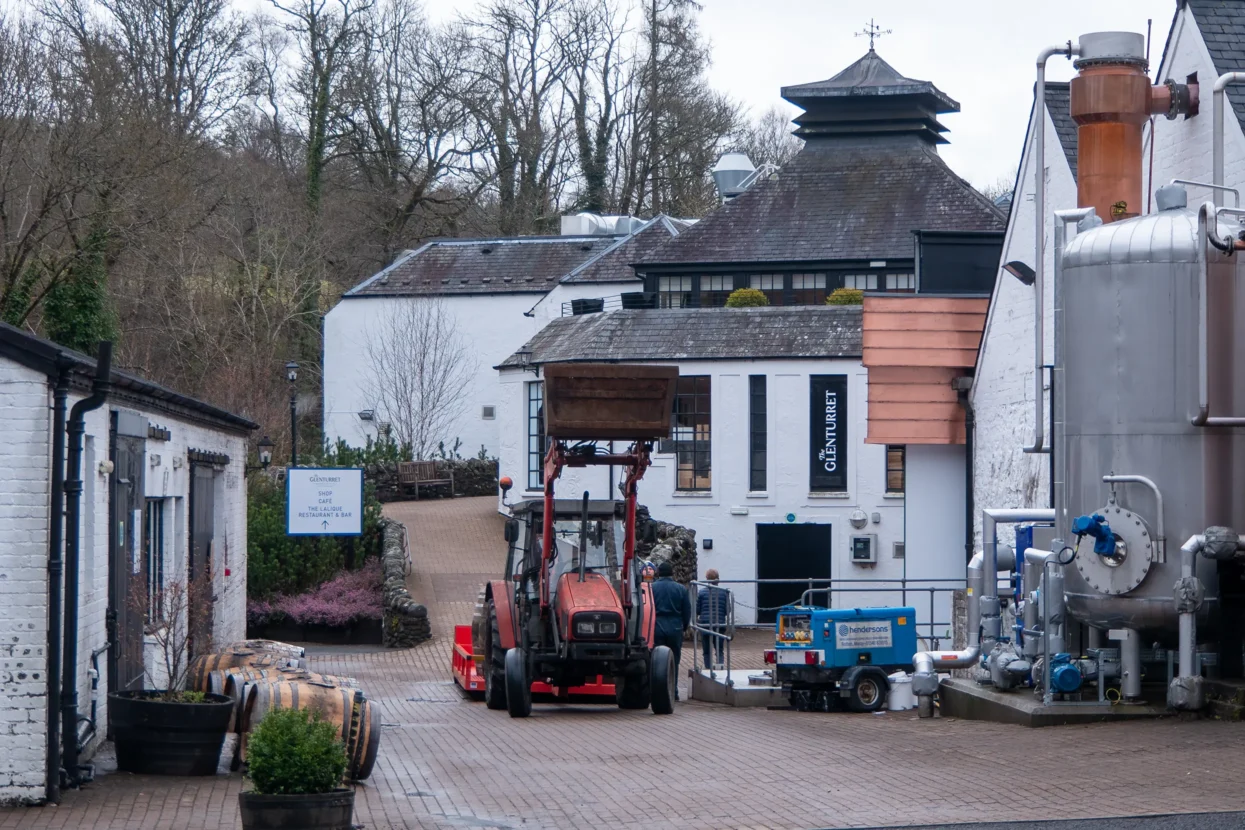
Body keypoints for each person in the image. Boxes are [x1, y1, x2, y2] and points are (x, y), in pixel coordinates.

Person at [649, 561, 691, 700]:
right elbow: (687, 611)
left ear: (659, 573)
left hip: (657, 626)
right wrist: (683, 627)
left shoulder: (652, 588)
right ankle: (673, 691)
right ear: (672, 573)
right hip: (675, 627)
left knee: (656, 661)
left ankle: (655, 691)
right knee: (674, 660)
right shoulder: (680, 589)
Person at [697, 569, 730, 671]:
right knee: (719, 649)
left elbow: (697, 609)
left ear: (707, 579)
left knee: (706, 650)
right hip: (719, 624)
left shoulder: (701, 593)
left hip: (705, 624)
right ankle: (719, 668)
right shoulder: (724, 592)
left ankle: (708, 669)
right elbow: (727, 610)